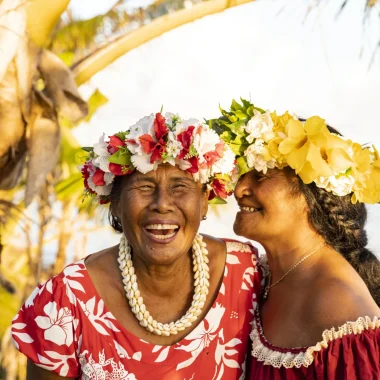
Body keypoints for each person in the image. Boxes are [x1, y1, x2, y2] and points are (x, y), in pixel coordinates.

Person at [11, 112, 261, 379]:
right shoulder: (66, 301)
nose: (162, 203)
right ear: (115, 204)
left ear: (204, 202)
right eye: (144, 186)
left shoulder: (245, 273)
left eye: (180, 187)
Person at [211, 99, 380, 379]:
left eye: (261, 175)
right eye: (242, 175)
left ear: (309, 192)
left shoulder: (338, 304)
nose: (239, 189)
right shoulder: (255, 274)